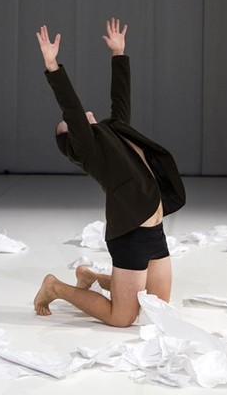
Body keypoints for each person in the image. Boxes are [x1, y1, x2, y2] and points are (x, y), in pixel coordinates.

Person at [33, 18, 186, 327]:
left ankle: (89, 276)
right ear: (74, 136)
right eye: (68, 125)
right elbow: (71, 107)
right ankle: (55, 287)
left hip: (155, 231)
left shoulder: (115, 129)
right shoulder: (90, 150)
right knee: (123, 318)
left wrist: (118, 54)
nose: (76, 118)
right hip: (131, 234)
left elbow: (121, 99)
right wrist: (52, 66)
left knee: (157, 308)